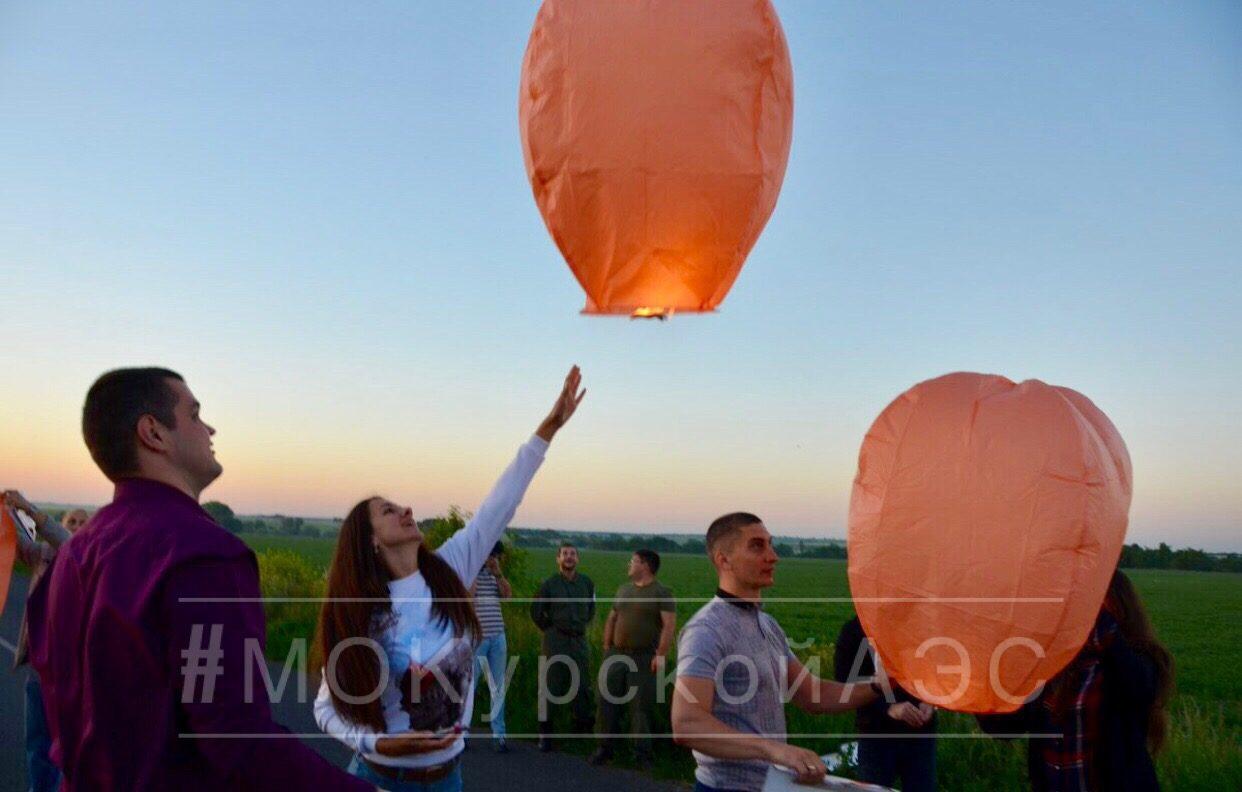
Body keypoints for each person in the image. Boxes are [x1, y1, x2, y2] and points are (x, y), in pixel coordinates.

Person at [24, 367, 371, 791]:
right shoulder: (203, 554)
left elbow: (60, 701)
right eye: (194, 414)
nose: (210, 428)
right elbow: (237, 741)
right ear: (153, 432)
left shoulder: (76, 553)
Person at [313, 366, 584, 791]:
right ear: (371, 543)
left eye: (400, 505)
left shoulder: (449, 568)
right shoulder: (363, 612)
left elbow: (500, 505)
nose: (405, 510)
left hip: (448, 779)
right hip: (384, 778)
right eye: (388, 511)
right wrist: (378, 745)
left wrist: (547, 430)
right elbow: (325, 709)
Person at [672, 512, 884, 792]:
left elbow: (812, 695)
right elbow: (687, 723)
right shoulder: (706, 630)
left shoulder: (767, 625)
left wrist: (879, 687)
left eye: (770, 545)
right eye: (757, 546)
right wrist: (774, 750)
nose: (773, 556)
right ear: (724, 560)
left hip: (774, 785)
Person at [978, 569, 1173, 792]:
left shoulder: (1143, 659)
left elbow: (1139, 688)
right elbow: (1008, 727)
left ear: (1120, 608)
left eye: (1096, 604)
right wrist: (982, 693)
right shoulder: (1053, 662)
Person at [3, 492, 85, 792]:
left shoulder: (89, 557)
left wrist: (31, 510)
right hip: (39, 668)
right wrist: (8, 511)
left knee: (67, 747)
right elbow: (18, 544)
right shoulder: (42, 555)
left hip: (72, 673)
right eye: (71, 521)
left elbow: (69, 543)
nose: (76, 526)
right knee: (37, 743)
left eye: (82, 522)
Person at [590, 548, 676, 766]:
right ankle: (604, 748)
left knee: (640, 707)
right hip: (616, 655)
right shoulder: (623, 590)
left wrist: (661, 655)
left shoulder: (662, 592)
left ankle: (641, 754)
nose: (629, 564)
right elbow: (612, 618)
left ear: (645, 565)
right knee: (605, 701)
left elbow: (668, 626)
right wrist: (607, 646)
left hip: (643, 657)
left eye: (633, 561)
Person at [833, 615, 936, 791]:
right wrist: (888, 709)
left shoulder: (919, 627)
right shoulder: (854, 631)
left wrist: (931, 701)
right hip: (876, 733)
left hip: (920, 734)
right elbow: (844, 685)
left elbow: (936, 671)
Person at [530, 541, 596, 751]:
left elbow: (591, 609)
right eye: (565, 553)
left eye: (573, 554)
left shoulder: (587, 583)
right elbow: (536, 612)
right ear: (558, 559)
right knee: (550, 686)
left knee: (582, 685)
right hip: (555, 640)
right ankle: (545, 734)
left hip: (579, 641)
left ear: (578, 559)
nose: (569, 557)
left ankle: (581, 732)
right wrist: (550, 629)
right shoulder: (549, 584)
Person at [470, 541, 512, 753]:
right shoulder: (471, 572)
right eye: (491, 555)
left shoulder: (495, 575)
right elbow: (467, 598)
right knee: (470, 686)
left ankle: (499, 734)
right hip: (477, 637)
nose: (493, 559)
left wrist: (498, 573)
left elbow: (508, 596)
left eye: (496, 556)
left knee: (498, 687)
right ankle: (461, 733)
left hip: (498, 635)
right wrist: (476, 569)